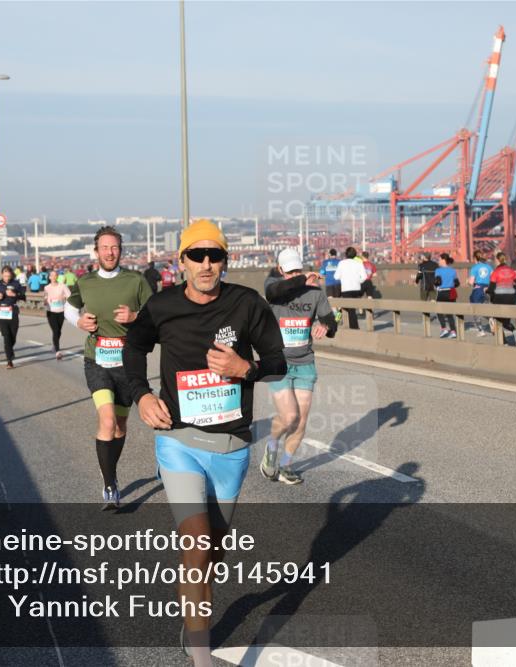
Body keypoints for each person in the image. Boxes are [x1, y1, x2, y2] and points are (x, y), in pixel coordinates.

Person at [124, 219, 285, 665]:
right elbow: (132, 347)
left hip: (231, 446)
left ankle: (191, 611)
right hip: (178, 440)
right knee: (194, 543)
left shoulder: (246, 304)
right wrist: (140, 394)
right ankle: (201, 654)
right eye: (197, 255)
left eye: (216, 256)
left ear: (225, 261)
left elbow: (278, 361)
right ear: (182, 261)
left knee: (212, 550)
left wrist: (244, 368)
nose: (207, 264)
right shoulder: (162, 306)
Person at [65, 226, 153, 509]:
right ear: (96, 251)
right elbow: (69, 307)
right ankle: (110, 485)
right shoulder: (86, 281)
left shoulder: (136, 281)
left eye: (114, 247)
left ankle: (110, 472)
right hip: (97, 358)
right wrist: (78, 322)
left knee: (120, 425)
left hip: (128, 360)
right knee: (106, 421)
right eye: (104, 247)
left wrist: (135, 315)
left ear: (121, 250)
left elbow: (155, 314)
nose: (110, 252)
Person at [261, 248, 336, 485]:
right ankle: (272, 445)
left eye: (298, 270)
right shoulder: (274, 288)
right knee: (289, 416)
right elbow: (274, 290)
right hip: (278, 363)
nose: (294, 274)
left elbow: (331, 322)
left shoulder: (315, 293)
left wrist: (326, 327)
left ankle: (285, 466)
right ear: (281, 270)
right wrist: (302, 279)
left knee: (301, 421)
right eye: (290, 271)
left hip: (305, 362)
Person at [0, 266, 26, 369]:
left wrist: (14, 294)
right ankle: (9, 360)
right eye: (5, 275)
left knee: (13, 336)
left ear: (11, 275)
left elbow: (23, 296)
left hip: (13, 311)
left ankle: (10, 350)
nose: (7, 277)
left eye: (8, 276)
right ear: (2, 274)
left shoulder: (16, 284)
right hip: (2, 311)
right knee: (6, 336)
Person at [487, 252, 516, 345]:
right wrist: (510, 287)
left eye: (495, 260)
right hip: (511, 298)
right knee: (506, 320)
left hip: (499, 298)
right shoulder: (512, 271)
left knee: (497, 319)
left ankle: (505, 338)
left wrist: (486, 291)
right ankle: (512, 333)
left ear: (497, 260)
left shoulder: (495, 272)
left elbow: (491, 289)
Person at [333, 246, 368, 330]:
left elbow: (336, 277)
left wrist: (344, 278)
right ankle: (337, 322)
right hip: (356, 289)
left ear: (345, 254)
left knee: (347, 308)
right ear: (355, 255)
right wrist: (357, 281)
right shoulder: (359, 263)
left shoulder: (342, 263)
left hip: (346, 289)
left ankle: (352, 327)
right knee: (350, 308)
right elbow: (364, 277)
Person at [43, 270, 70, 360]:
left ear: (57, 277)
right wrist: (45, 301)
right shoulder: (46, 287)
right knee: (55, 330)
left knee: (58, 331)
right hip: (51, 311)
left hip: (61, 311)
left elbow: (69, 296)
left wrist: (64, 297)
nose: (53, 277)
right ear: (49, 277)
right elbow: (45, 298)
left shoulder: (63, 286)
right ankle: (58, 351)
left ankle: (54, 345)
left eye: (55, 275)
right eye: (51, 275)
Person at [434, 253, 460, 338]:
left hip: (442, 292)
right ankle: (453, 331)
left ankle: (444, 328)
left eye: (439, 259)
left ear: (443, 260)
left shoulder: (438, 270)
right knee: (450, 314)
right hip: (451, 292)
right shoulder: (453, 270)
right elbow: (456, 283)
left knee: (439, 311)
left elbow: (437, 282)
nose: (438, 261)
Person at [467, 250, 493, 336]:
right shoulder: (489, 267)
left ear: (475, 258)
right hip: (488, 289)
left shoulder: (475, 267)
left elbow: (471, 282)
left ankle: (481, 330)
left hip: (477, 289)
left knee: (475, 310)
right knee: (485, 307)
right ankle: (491, 319)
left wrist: (468, 281)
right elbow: (493, 279)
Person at [415, 253, 439, 324]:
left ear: (424, 257)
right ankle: (438, 316)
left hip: (424, 286)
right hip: (433, 286)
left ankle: (426, 319)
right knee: (434, 301)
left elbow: (419, 275)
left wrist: (416, 281)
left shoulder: (421, 265)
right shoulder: (435, 265)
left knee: (424, 302)